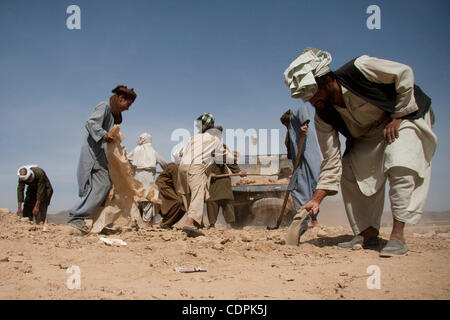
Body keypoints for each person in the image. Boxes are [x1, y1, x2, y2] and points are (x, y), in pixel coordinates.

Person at [284, 48, 437, 256]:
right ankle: (368, 233)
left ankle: (398, 236)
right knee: (348, 168)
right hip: (370, 133)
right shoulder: (323, 116)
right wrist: (316, 199)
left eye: (315, 94)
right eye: (308, 99)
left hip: (404, 115)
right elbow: (331, 160)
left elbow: (404, 72)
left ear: (328, 80)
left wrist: (399, 112)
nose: (313, 102)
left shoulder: (360, 68)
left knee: (399, 160)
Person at [68, 85, 137, 233]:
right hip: (94, 155)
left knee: (107, 187)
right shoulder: (104, 106)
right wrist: (104, 135)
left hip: (102, 156)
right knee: (103, 184)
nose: (128, 109)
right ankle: (76, 217)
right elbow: (91, 122)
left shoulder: (113, 114)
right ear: (121, 98)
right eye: (128, 104)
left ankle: (96, 222)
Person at [177, 113, 235, 237]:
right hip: (196, 167)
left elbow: (179, 153)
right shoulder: (214, 140)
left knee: (188, 195)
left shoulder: (192, 138)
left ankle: (198, 224)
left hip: (182, 167)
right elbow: (228, 158)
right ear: (212, 126)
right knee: (198, 195)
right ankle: (189, 223)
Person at [280, 106, 321, 234]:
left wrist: (304, 123)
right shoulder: (292, 132)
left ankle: (305, 221)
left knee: (297, 189)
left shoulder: (295, 119)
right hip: (303, 163)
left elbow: (303, 108)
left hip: (306, 162)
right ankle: (312, 220)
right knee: (309, 190)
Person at [128, 132, 167, 223]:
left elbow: (127, 158)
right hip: (149, 176)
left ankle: (134, 221)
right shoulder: (153, 151)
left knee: (136, 197)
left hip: (137, 175)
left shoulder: (136, 149)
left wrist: (132, 166)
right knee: (148, 198)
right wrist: (167, 171)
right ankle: (146, 222)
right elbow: (163, 163)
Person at [207, 145, 246, 229]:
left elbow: (231, 163)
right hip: (212, 183)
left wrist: (239, 172)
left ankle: (229, 224)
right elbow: (200, 168)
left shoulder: (223, 149)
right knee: (212, 202)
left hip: (224, 181)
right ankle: (212, 225)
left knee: (227, 202)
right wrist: (209, 174)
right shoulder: (206, 154)